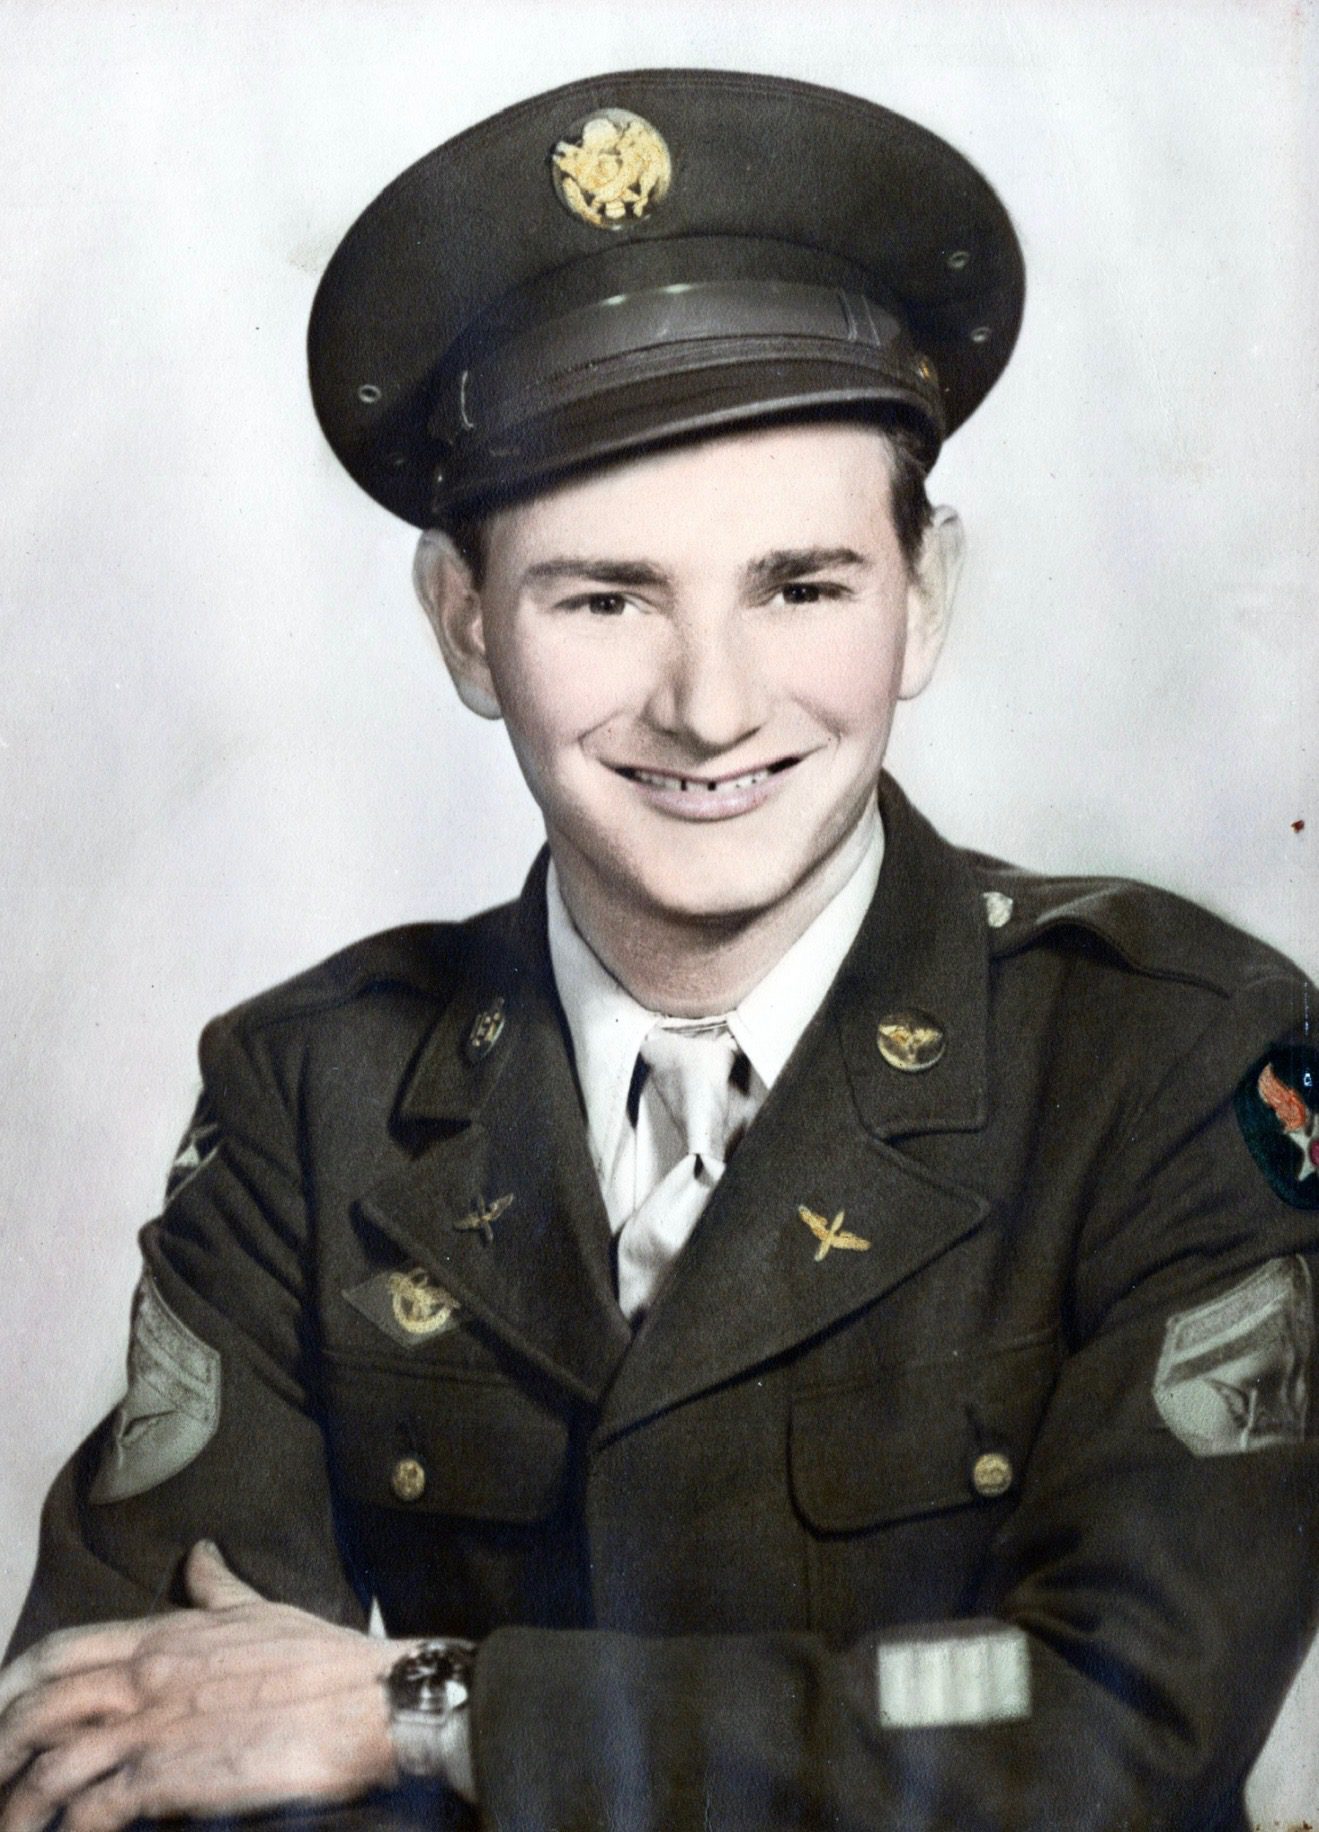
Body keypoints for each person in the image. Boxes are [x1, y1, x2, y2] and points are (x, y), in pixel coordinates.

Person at [1, 65, 1317, 1832]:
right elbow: (127, 1743)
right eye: (606, 597)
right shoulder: (314, 1094)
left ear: (925, 599)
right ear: (468, 628)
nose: (710, 707)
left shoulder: (1172, 1059)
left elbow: (1105, 1713)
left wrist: (430, 1709)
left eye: (802, 587)